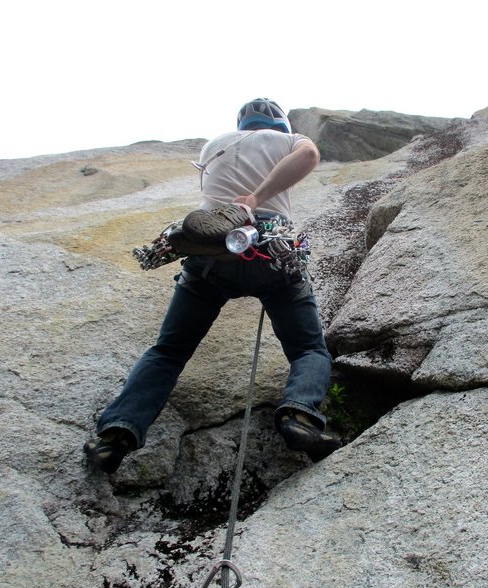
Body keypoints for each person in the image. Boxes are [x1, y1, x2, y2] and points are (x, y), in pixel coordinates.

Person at [84, 98, 340, 474]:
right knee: (308, 349)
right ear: (279, 124)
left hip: (210, 254)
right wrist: (256, 198)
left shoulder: (215, 144)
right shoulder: (288, 140)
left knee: (169, 351)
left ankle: (115, 435)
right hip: (271, 248)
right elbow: (309, 156)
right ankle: (300, 413)